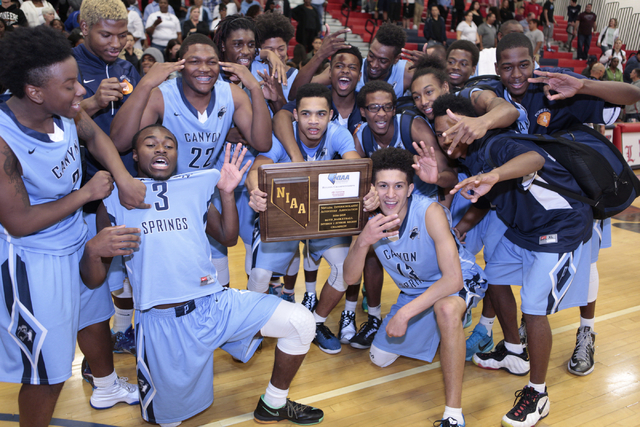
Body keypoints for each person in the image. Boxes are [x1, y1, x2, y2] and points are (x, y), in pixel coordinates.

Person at [83, 126, 325, 426]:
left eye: (169, 145)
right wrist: (92, 251)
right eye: (150, 144)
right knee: (167, 421)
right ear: (134, 155)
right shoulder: (115, 200)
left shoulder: (193, 186)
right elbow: (94, 281)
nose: (161, 149)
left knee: (301, 323)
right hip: (164, 324)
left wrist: (225, 193)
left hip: (215, 304)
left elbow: (227, 236)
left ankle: (273, 403)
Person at [458, 32, 640, 395]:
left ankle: (586, 332)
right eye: (507, 67)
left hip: (577, 202)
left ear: (536, 59)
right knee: (504, 272)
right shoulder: (488, 90)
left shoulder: (555, 85)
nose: (517, 74)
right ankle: (517, 342)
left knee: (586, 271)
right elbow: (484, 101)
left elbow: (633, 96)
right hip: (527, 207)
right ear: (497, 68)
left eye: (524, 64)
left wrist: (583, 84)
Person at [0, 25, 146, 427]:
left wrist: (123, 176)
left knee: (94, 316)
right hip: (32, 257)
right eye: (70, 86)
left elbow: (95, 137)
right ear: (35, 92)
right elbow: (19, 221)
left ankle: (107, 386)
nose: (81, 91)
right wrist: (85, 194)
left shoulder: (64, 109)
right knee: (46, 372)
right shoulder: (4, 139)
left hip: (74, 234)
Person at [433, 92, 592, 427]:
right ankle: (515, 351)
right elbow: (472, 188)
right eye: (440, 133)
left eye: (453, 129)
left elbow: (534, 159)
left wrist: (494, 176)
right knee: (496, 277)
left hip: (561, 226)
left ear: (471, 127)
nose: (447, 138)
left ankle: (538, 393)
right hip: (524, 229)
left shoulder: (497, 145)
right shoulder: (469, 159)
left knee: (533, 308)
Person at [343, 146, 487, 427]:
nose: (390, 194)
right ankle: (440, 327)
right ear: (373, 188)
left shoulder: (429, 211)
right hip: (415, 291)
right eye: (383, 186)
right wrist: (362, 240)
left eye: (398, 186)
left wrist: (405, 313)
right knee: (379, 357)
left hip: (457, 279)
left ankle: (453, 415)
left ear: (410, 188)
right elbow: (349, 279)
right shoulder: (370, 219)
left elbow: (453, 279)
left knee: (446, 309)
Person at [246, 84, 376, 354]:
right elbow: (257, 168)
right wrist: (254, 190)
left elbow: (354, 165)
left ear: (330, 115)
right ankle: (250, 328)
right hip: (286, 213)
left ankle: (315, 323)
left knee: (345, 270)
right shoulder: (283, 136)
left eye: (320, 114)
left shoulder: (338, 134)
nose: (313, 121)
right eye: (306, 114)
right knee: (259, 274)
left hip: (323, 217)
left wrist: (369, 188)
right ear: (295, 115)